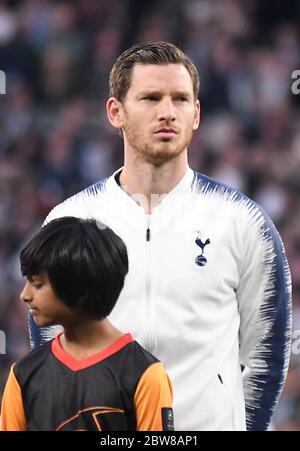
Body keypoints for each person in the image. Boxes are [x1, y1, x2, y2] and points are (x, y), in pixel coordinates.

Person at [28, 42, 292, 431]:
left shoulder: (243, 222)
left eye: (180, 99)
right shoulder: (71, 221)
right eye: (151, 98)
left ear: (197, 114)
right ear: (115, 112)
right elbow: (52, 352)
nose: (168, 112)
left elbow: (267, 356)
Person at [0, 217, 174, 431]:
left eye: (38, 284)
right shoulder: (24, 376)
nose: (24, 295)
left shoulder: (145, 375)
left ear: (80, 289)